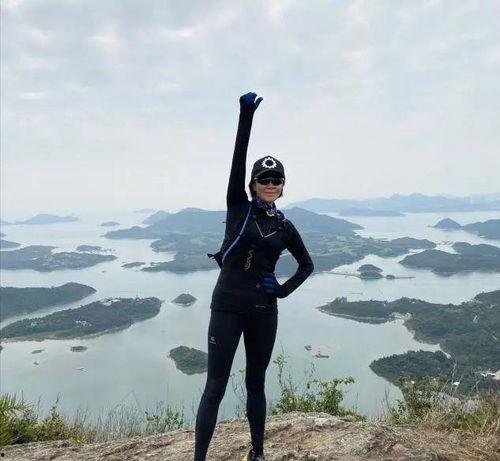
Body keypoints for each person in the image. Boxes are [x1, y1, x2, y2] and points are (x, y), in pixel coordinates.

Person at [194, 92, 314, 461]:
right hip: (227, 307)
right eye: (264, 178)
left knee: (256, 384)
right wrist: (246, 116)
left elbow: (307, 265)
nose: (271, 183)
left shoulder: (284, 226)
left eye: (277, 179)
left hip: (263, 310)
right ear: (253, 183)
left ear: (283, 185)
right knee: (215, 387)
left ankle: (257, 452)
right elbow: (237, 161)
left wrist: (282, 290)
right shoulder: (238, 207)